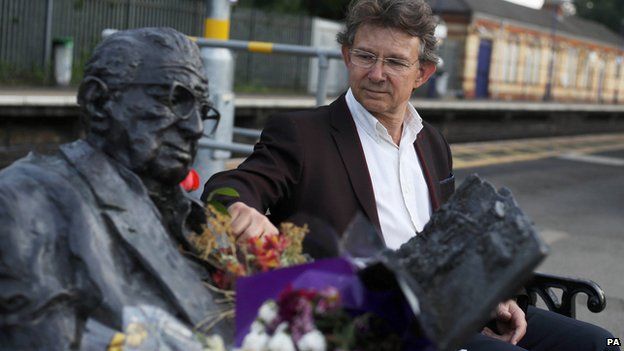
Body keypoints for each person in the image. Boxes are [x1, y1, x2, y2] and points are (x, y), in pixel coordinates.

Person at [202, 1, 619, 350]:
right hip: (369, 319)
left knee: (600, 344)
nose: (376, 73)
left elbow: (452, 242)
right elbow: (231, 186)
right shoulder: (301, 134)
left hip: (446, 305)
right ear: (347, 56)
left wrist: (491, 296)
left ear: (423, 73)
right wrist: (238, 206)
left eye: (395, 62)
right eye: (365, 56)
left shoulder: (432, 143)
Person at [0, 27, 226, 349]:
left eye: (203, 112)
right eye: (176, 100)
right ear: (98, 101)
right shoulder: (25, 205)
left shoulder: (197, 221)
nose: (196, 128)